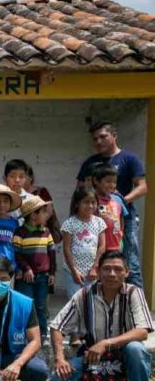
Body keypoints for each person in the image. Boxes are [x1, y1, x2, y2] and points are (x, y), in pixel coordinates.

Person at [50, 251, 153, 381]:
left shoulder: (133, 293)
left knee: (136, 349)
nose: (112, 273)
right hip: (94, 358)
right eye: (107, 269)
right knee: (58, 377)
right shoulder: (84, 294)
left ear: (126, 273)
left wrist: (106, 342)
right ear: (98, 271)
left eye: (117, 269)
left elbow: (142, 331)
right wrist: (59, 358)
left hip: (126, 356)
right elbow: (57, 326)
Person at [77, 122, 146, 288]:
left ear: (114, 135)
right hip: (94, 220)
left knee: (130, 263)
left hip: (123, 220)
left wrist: (120, 201)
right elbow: (79, 189)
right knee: (96, 262)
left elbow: (143, 186)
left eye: (103, 137)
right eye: (95, 139)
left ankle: (137, 308)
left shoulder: (129, 158)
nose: (98, 142)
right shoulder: (89, 162)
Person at [13, 196, 56, 339]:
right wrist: (26, 268)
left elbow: (52, 253)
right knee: (25, 305)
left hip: (43, 276)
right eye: (43, 212)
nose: (47, 215)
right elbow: (17, 254)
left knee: (41, 306)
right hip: (26, 277)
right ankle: (24, 334)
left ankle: (43, 334)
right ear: (33, 215)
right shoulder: (20, 233)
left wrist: (51, 273)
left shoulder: (46, 231)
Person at [60, 186, 106, 299]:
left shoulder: (99, 222)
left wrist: (95, 267)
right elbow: (66, 248)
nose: (90, 206)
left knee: (91, 301)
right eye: (86, 202)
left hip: (92, 272)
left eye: (93, 202)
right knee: (75, 302)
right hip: (72, 272)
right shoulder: (70, 223)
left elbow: (102, 246)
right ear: (77, 204)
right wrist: (74, 271)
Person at [91, 163, 126, 254]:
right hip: (96, 248)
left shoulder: (118, 199)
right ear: (96, 181)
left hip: (116, 246)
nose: (112, 185)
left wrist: (120, 236)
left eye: (114, 182)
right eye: (108, 181)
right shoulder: (91, 200)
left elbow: (121, 220)